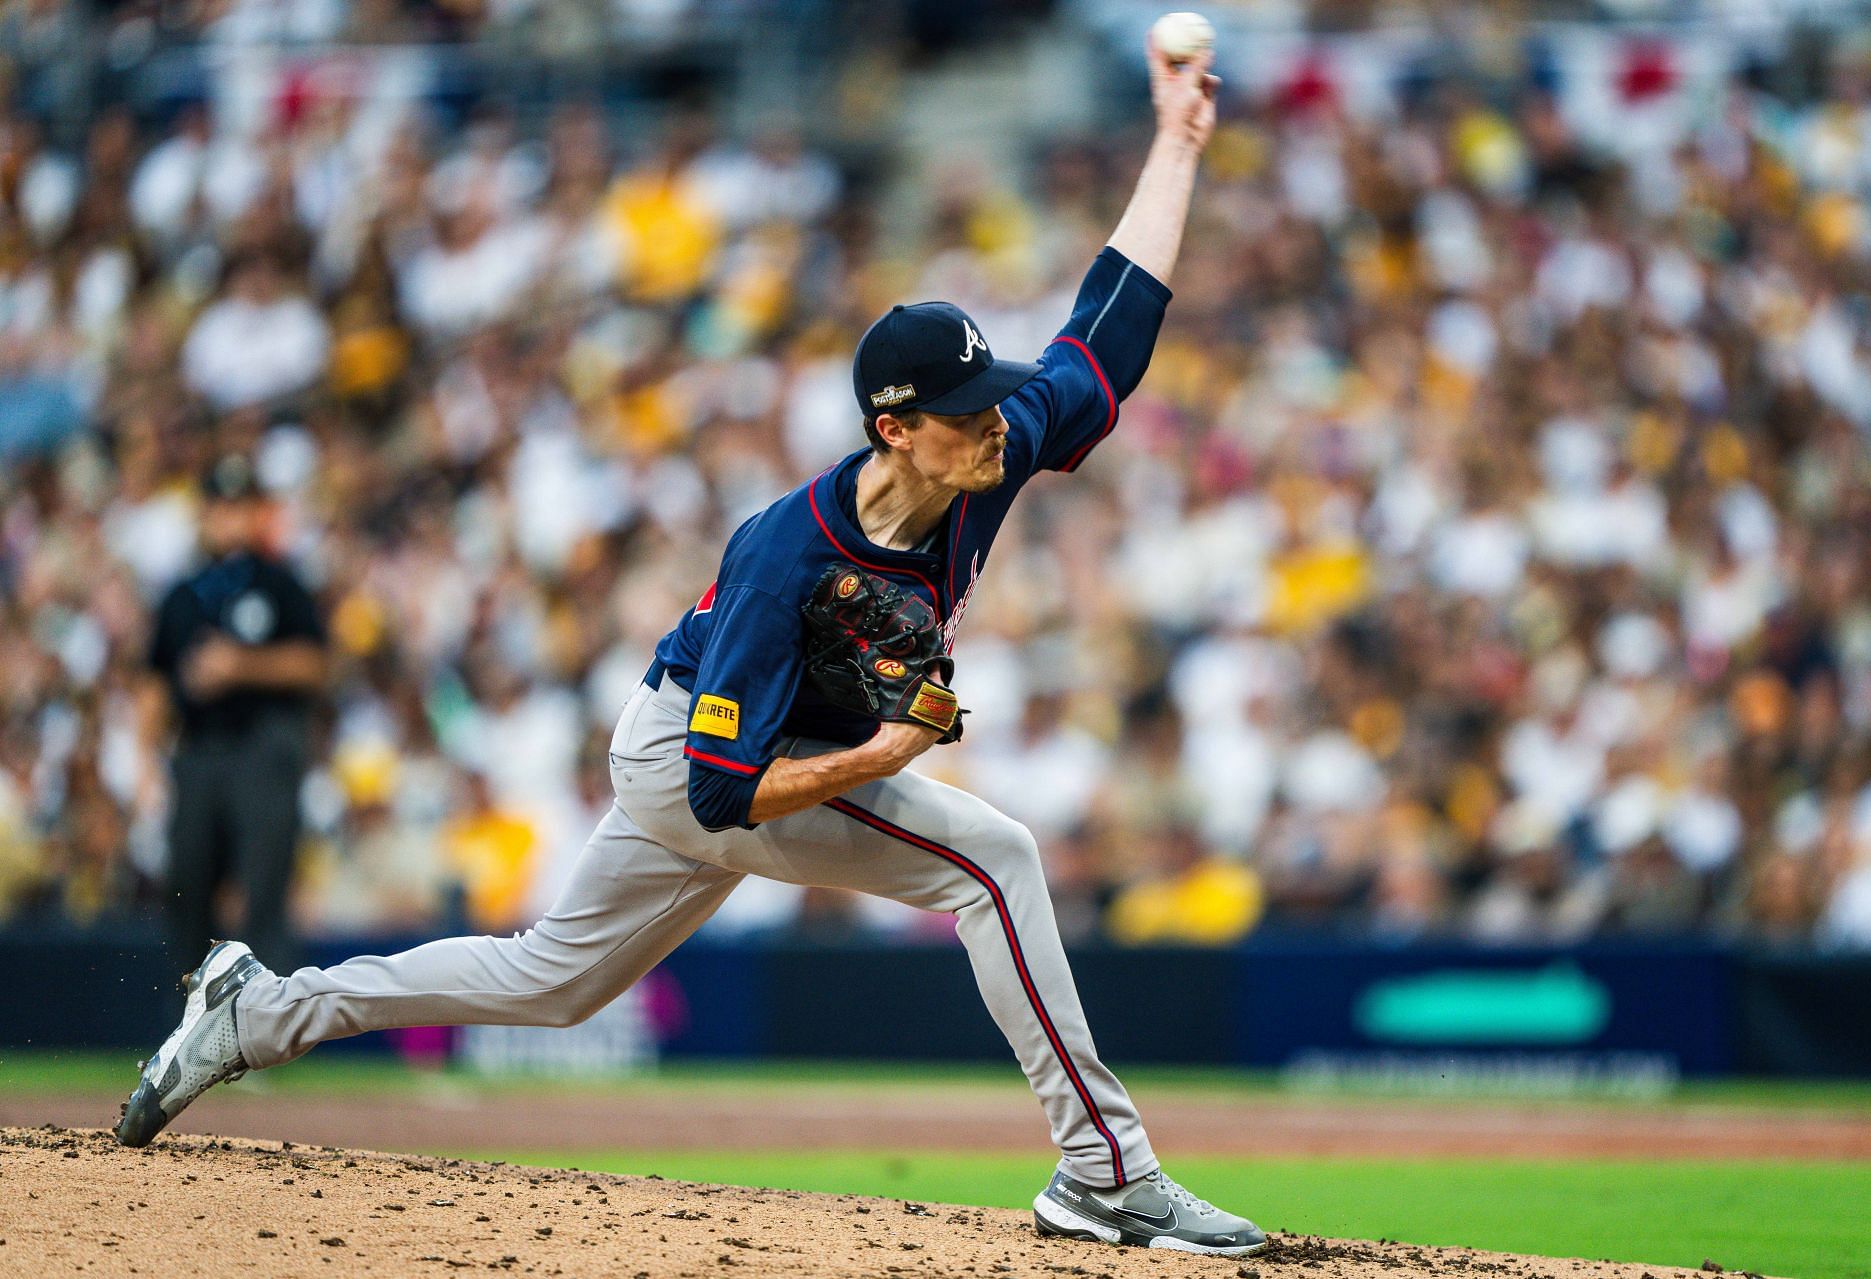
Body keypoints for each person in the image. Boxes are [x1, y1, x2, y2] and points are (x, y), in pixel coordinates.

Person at [115, 42, 1264, 1257]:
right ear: (894, 427)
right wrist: (881, 752)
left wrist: (1178, 142)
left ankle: (253, 1013)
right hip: (696, 758)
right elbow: (723, 794)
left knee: (547, 982)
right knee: (995, 861)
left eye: (994, 398)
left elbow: (1111, 326)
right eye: (967, 408)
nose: (999, 420)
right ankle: (1105, 1173)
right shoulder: (789, 555)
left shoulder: (994, 439)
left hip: (729, 747)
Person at [141, 454, 327, 978]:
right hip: (198, 750)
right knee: (188, 882)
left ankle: (269, 1026)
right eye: (220, 506)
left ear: (256, 513)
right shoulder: (182, 593)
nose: (229, 517)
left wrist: (240, 665)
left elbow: (314, 664)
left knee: (264, 885)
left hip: (263, 747)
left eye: (239, 506)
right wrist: (144, 763)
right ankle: (188, 1025)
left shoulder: (280, 583)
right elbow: (153, 684)